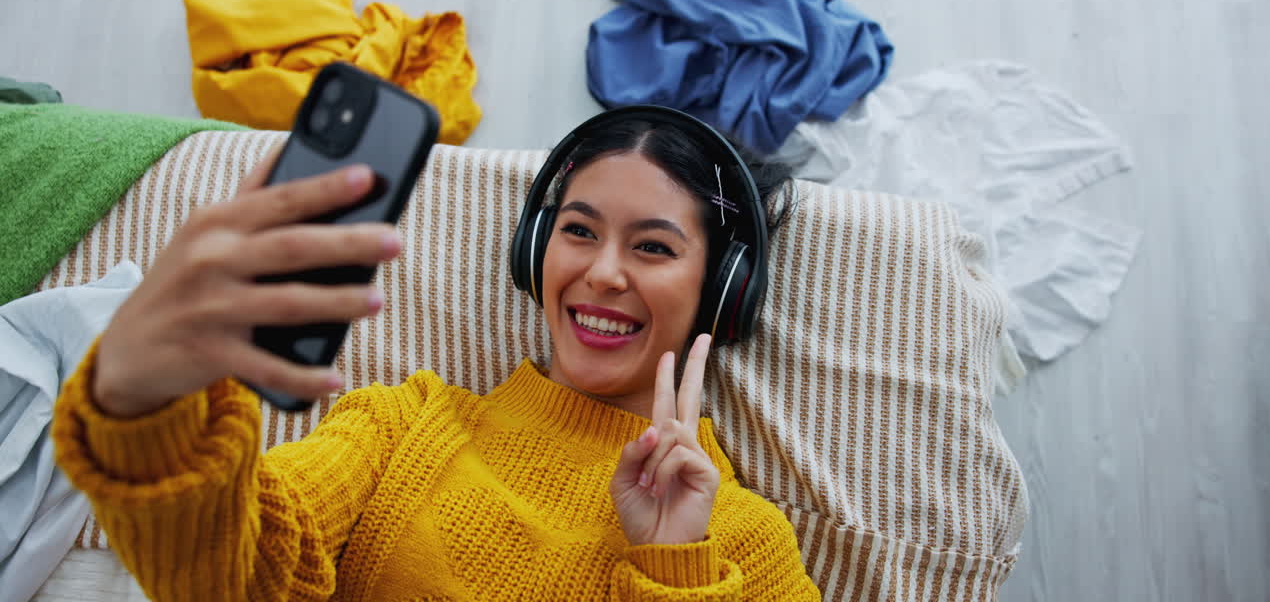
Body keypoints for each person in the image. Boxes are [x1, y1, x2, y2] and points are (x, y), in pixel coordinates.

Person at [52, 106, 821, 600]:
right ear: (532, 252)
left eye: (652, 246)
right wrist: (145, 410)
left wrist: (674, 568)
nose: (602, 272)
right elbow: (242, 572)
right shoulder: (403, 424)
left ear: (722, 291)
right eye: (578, 230)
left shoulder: (747, 542)